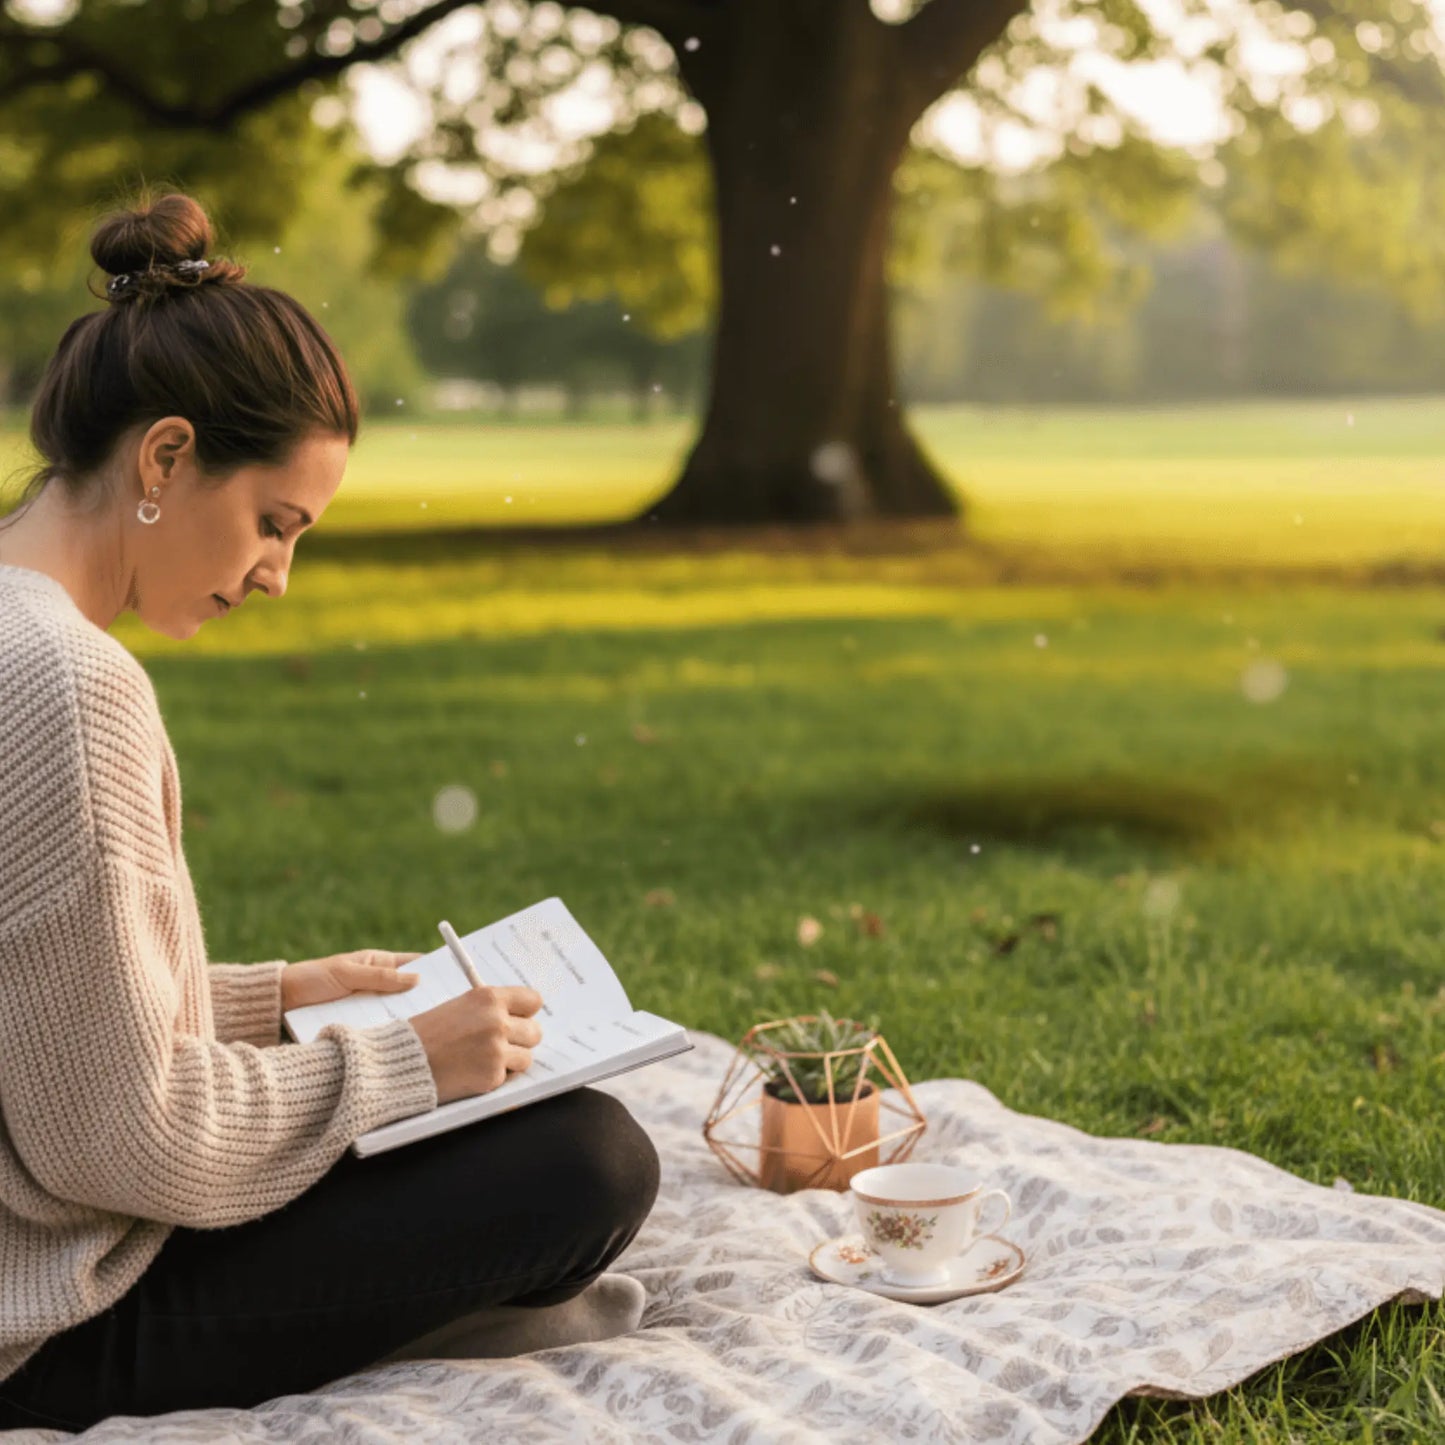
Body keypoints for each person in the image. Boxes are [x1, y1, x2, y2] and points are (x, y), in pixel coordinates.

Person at [0, 192, 661, 1433]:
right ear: (163, 456)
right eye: (272, 522)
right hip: (45, 1321)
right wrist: (405, 1062)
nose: (276, 575)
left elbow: (31, 1001)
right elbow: (124, 1140)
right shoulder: (72, 687)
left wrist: (274, 997)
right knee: (587, 1162)